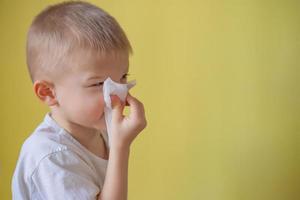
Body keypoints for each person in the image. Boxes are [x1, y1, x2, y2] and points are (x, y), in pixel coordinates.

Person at [12, 1, 147, 199]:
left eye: (123, 77)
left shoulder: (99, 131)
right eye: (98, 84)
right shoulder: (49, 156)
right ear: (48, 92)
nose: (117, 94)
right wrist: (121, 146)